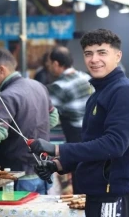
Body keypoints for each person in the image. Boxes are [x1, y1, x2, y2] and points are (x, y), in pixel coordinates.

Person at [30, 29, 129, 217]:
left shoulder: (126, 93)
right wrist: (59, 165)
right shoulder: (97, 94)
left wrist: (58, 149)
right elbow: (93, 145)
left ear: (118, 56)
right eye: (88, 54)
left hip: (117, 194)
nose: (94, 59)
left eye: (102, 52)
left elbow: (114, 145)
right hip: (99, 192)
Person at [0, 48, 59, 194]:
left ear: (1, 70)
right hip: (43, 171)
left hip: (19, 177)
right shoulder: (38, 86)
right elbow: (53, 118)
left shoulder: (6, 97)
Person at [46, 45, 93, 194]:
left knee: (78, 173)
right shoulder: (86, 77)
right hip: (92, 132)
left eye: (50, 64)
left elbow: (47, 113)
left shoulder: (60, 85)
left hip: (75, 134)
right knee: (89, 170)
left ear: (55, 63)